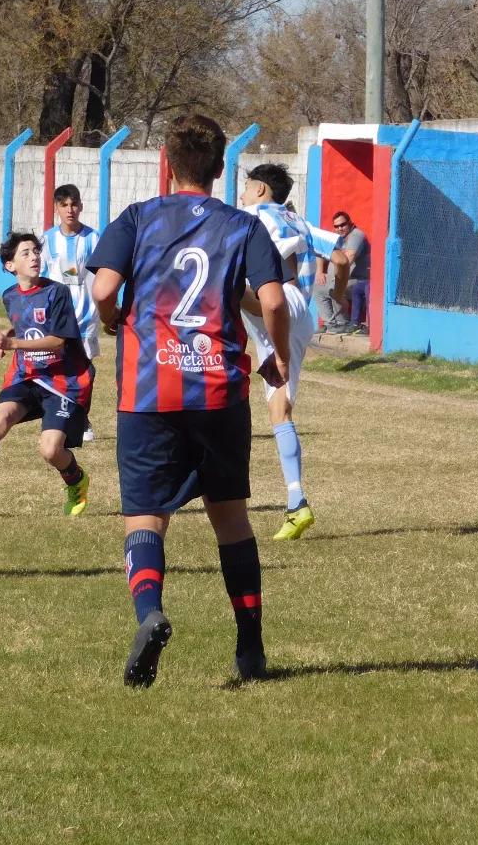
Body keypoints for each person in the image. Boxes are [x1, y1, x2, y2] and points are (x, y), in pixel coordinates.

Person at [87, 114, 291, 687]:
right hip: (218, 392)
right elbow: (274, 302)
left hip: (149, 390)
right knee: (230, 517)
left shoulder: (137, 217)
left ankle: (150, 613)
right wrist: (279, 357)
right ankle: (249, 645)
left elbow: (103, 289)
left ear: (166, 162)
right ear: (221, 167)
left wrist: (111, 316)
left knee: (145, 515)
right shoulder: (242, 225)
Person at [0, 233, 94, 517]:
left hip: (63, 381)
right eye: (25, 253)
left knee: (51, 450)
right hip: (26, 374)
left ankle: (77, 480)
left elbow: (57, 341)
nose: (34, 257)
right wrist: (9, 333)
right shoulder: (10, 296)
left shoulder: (57, 293)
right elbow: (25, 322)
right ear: (10, 265)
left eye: (36, 251)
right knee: (2, 417)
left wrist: (12, 343)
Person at [238, 162, 321, 540]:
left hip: (277, 304)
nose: (242, 195)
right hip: (299, 308)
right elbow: (338, 255)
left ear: (260, 190)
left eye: (246, 187)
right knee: (279, 409)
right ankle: (296, 501)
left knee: (222, 282)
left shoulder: (253, 216)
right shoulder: (297, 219)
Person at [40, 183, 102, 441]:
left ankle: (82, 419)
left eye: (74, 204)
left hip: (86, 316)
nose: (70, 210)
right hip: (58, 318)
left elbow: (101, 276)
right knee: (56, 369)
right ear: (56, 208)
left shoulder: (93, 239)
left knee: (85, 371)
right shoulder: (47, 240)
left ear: (81, 207)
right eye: (64, 205)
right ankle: (56, 418)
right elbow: (42, 277)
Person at [313, 211, 369, 333]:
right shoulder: (336, 237)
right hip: (339, 277)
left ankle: (343, 323)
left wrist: (340, 275)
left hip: (356, 280)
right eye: (336, 226)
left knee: (335, 286)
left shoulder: (356, 236)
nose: (340, 228)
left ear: (350, 223)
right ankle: (330, 324)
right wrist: (320, 272)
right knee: (317, 287)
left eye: (343, 225)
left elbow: (350, 255)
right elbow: (320, 250)